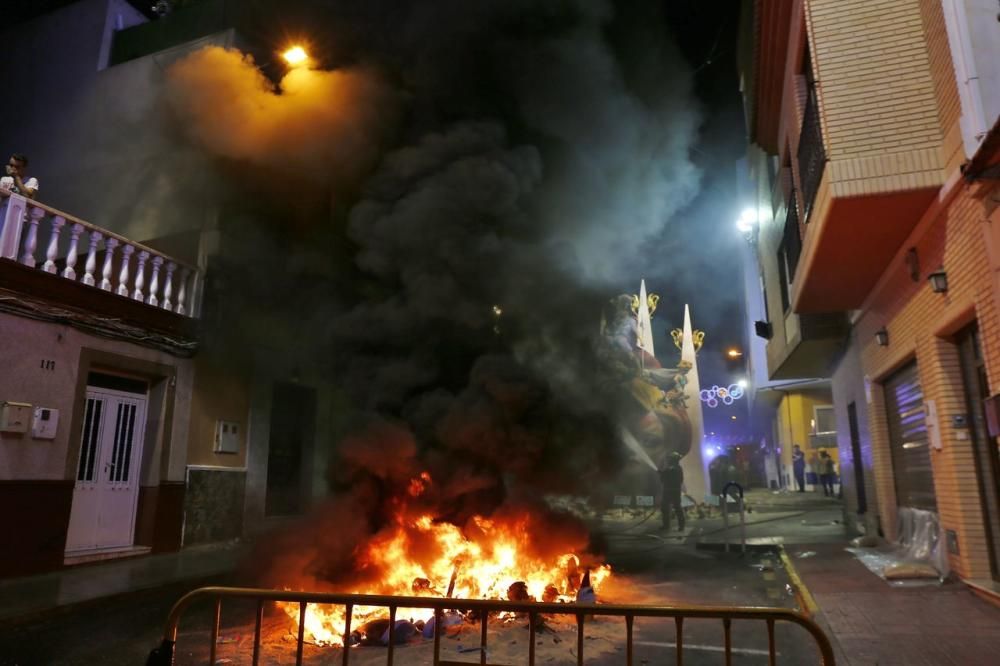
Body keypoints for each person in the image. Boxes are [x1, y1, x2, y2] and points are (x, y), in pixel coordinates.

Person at [659, 452, 685, 532]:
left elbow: (677, 479)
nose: (668, 460)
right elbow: (663, 480)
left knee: (677, 508)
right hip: (668, 490)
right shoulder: (671, 468)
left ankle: (681, 526)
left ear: (674, 459)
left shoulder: (676, 468)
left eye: (670, 458)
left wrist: (662, 473)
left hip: (673, 490)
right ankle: (666, 525)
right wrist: (662, 473)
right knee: (665, 508)